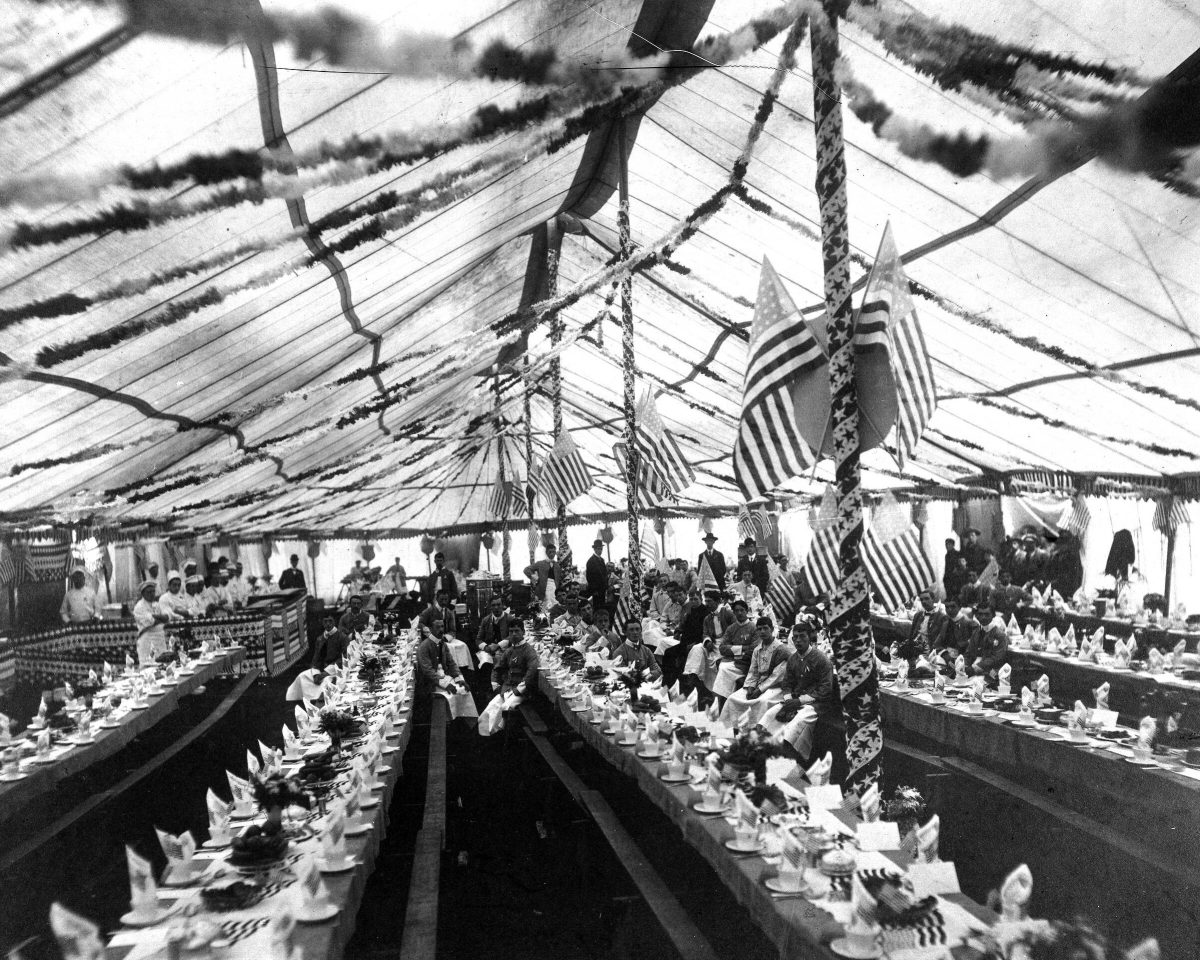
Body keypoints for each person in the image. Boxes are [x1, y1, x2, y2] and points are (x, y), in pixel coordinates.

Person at [761, 614, 838, 761]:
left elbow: (825, 690)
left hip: (816, 704)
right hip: (795, 700)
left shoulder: (822, 660)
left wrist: (800, 702)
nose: (797, 640)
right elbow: (787, 684)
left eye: (802, 636)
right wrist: (789, 700)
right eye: (795, 637)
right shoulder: (793, 658)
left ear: (810, 637)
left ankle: (794, 763)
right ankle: (773, 756)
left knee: (794, 727)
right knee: (769, 716)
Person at [718, 617, 791, 726]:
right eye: (759, 629)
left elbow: (777, 676)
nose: (762, 631)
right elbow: (753, 671)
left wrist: (759, 690)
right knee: (733, 699)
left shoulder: (781, 650)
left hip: (776, 687)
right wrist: (750, 687)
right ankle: (731, 729)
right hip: (758, 684)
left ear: (771, 629)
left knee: (761, 702)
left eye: (765, 628)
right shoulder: (757, 649)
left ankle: (757, 733)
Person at [713, 598, 757, 701]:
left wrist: (733, 649)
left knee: (723, 669)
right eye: (736, 611)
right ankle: (723, 700)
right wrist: (742, 648)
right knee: (723, 668)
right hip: (732, 661)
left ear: (747, 611)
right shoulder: (731, 628)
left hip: (746, 662)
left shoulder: (753, 627)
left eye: (742, 610)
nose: (739, 613)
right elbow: (722, 648)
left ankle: (723, 700)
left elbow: (753, 649)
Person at [416, 618, 465, 696]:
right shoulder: (424, 646)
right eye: (438, 627)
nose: (441, 630)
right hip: (431, 683)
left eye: (442, 627)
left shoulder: (443, 644)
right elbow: (428, 671)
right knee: (452, 695)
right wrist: (445, 684)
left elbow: (451, 663)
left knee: (463, 690)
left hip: (444, 676)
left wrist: (458, 678)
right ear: (431, 629)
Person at [492, 623, 540, 698]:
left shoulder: (529, 651)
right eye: (511, 631)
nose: (514, 634)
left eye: (517, 631)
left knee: (505, 707)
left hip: (522, 693)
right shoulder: (509, 651)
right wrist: (495, 685)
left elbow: (532, 671)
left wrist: (518, 690)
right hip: (507, 689)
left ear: (523, 632)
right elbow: (497, 668)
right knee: (490, 709)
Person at [965, 601, 1009, 678]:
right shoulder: (976, 632)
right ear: (976, 616)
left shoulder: (1000, 635)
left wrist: (974, 668)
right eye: (980, 614)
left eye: (987, 614)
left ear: (993, 615)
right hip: (974, 671)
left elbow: (996, 658)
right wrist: (963, 665)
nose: (983, 617)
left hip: (991, 674)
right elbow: (969, 654)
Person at [133, 580, 170, 666]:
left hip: (159, 638)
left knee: (162, 664)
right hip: (147, 639)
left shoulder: (157, 604)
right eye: (149, 592)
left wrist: (154, 616)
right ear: (143, 594)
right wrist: (159, 618)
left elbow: (166, 618)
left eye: (153, 591)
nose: (152, 594)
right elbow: (151, 622)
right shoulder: (139, 607)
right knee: (148, 666)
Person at [585, 540, 609, 612]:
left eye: (601, 549)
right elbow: (589, 577)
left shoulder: (602, 560)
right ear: (594, 549)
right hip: (596, 590)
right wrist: (594, 590)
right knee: (597, 607)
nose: (600, 550)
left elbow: (605, 574)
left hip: (603, 589)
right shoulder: (590, 561)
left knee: (603, 606)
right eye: (598, 549)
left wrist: (606, 586)